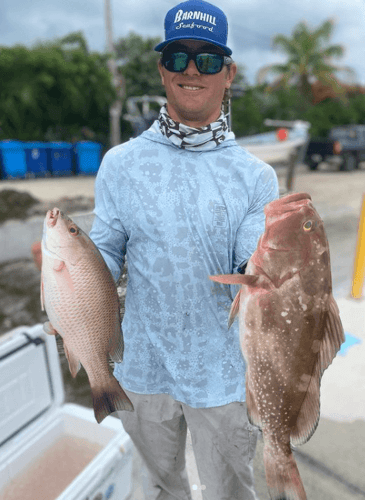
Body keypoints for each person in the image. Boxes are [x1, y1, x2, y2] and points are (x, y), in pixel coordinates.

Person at [89, 0, 279, 498]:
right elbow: (106, 250)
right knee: (159, 486)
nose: (192, 70)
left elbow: (252, 267)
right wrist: (70, 272)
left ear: (229, 73)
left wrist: (278, 264)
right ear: (162, 68)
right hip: (142, 368)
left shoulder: (257, 177)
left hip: (222, 374)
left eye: (208, 59)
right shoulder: (119, 164)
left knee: (232, 490)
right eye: (178, 57)